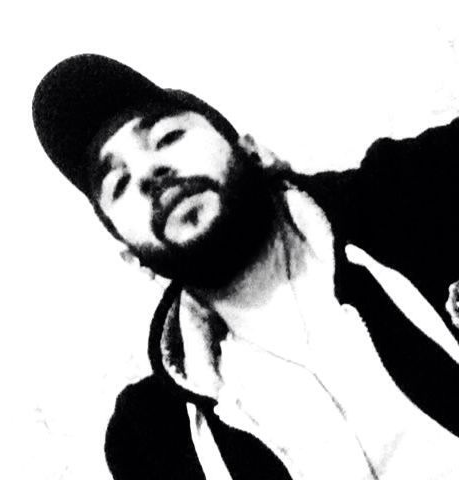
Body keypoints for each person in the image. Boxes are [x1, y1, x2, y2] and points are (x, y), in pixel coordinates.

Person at [33, 54, 459, 480]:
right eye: (119, 184)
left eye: (167, 137)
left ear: (255, 152)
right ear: (133, 258)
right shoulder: (152, 440)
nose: (148, 172)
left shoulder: (417, 190)